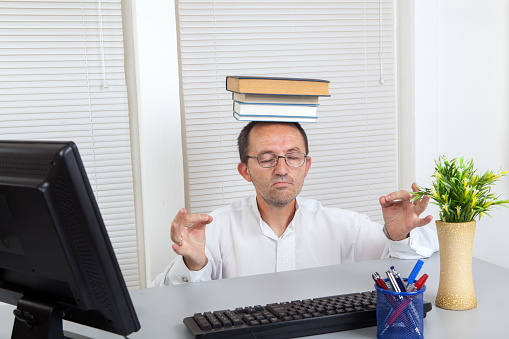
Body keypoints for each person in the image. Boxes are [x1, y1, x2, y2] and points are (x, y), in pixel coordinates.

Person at [152, 121, 438, 286]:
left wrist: (399, 236)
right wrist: (193, 264)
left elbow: (406, 277)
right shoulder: (215, 228)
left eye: (293, 156)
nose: (281, 168)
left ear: (306, 165)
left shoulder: (344, 226)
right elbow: (166, 300)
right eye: (266, 158)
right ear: (245, 171)